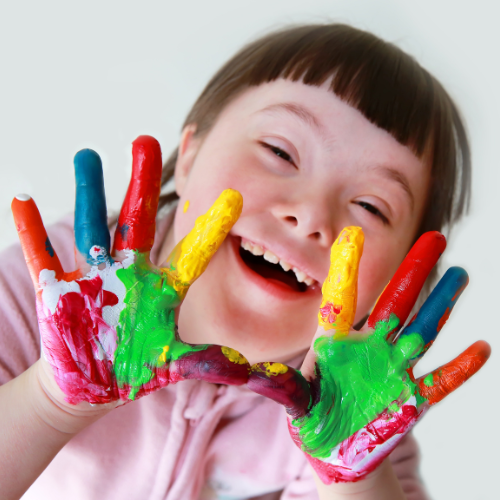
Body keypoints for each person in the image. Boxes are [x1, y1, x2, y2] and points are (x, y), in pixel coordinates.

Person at [0, 24, 490, 500]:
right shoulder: (46, 299)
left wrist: (353, 482)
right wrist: (49, 401)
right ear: (188, 157)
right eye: (280, 151)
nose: (310, 215)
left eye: (372, 207)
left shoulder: (359, 407)